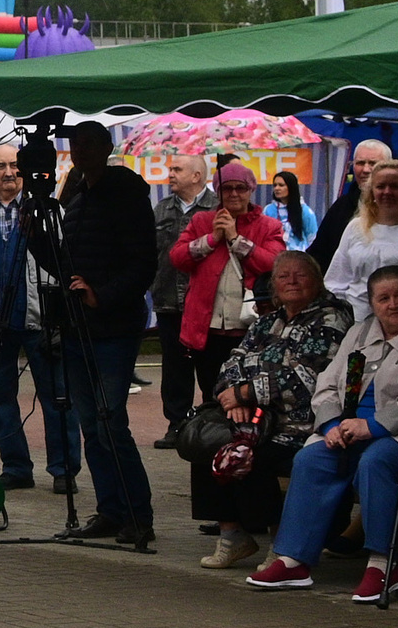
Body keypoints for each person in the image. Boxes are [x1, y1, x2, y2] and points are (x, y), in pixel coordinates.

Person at [246, 264, 398, 600]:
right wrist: (331, 425)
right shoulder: (360, 333)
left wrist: (371, 426)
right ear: (372, 304)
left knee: (374, 462)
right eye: (383, 298)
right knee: (311, 459)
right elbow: (327, 384)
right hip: (347, 429)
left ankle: (383, 565)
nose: (393, 304)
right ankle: (293, 560)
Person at [194, 251, 350, 570]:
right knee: (207, 444)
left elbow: (307, 378)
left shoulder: (331, 319)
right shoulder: (267, 321)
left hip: (302, 426)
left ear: (318, 281)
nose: (292, 281)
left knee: (254, 457)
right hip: (257, 420)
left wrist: (245, 393)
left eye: (300, 275)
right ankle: (232, 535)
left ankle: (281, 543)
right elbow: (231, 363)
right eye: (283, 276)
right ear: (274, 286)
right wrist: (232, 396)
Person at [45, 121, 162, 547]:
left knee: (110, 421)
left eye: (88, 144)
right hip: (78, 325)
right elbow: (63, 261)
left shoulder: (124, 194)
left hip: (113, 326)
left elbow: (143, 263)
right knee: (92, 426)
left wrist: (102, 295)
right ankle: (111, 510)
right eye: (74, 144)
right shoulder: (77, 198)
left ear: (105, 148)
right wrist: (36, 237)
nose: (79, 151)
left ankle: (137, 514)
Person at [0, 144, 76, 494]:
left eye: (14, 165)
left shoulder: (50, 210)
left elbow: (67, 259)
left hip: (42, 319)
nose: (9, 172)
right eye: (0, 166)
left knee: (57, 398)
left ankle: (64, 469)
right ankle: (16, 467)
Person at [170, 160, 285, 419]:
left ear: (251, 190)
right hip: (207, 330)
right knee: (212, 394)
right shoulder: (201, 221)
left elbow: (273, 264)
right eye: (227, 188)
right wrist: (212, 239)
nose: (234, 194)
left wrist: (235, 238)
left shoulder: (269, 226)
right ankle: (212, 437)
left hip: (250, 330)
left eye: (240, 188)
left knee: (247, 397)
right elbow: (178, 257)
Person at [150, 153, 217, 447]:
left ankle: (214, 424)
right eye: (170, 169)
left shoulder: (217, 208)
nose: (171, 174)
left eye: (177, 169)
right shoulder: (162, 208)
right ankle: (176, 424)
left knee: (211, 367)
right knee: (174, 369)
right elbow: (151, 251)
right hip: (168, 300)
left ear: (197, 176)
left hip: (207, 305)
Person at [323, 158, 398, 309]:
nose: (387, 191)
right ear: (372, 191)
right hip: (357, 316)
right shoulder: (355, 227)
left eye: (395, 186)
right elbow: (336, 280)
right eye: (381, 186)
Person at [310, 138, 395, 277]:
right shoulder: (341, 207)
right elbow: (320, 253)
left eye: (373, 163)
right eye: (360, 163)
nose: (366, 169)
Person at [268, 171, 319, 253]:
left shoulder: (305, 211)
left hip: (299, 256)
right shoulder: (268, 210)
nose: (277, 188)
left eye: (281, 185)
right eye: (275, 185)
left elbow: (313, 238)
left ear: (291, 187)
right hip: (274, 255)